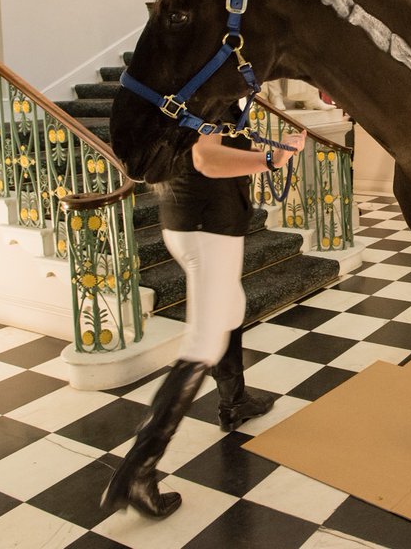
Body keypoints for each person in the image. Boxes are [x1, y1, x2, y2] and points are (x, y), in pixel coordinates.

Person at [101, 117, 306, 519]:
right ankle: (136, 473)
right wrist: (272, 156)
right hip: (206, 228)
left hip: (193, 222)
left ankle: (235, 402)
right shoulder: (208, 93)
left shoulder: (192, 91)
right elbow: (208, 159)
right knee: (204, 341)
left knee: (232, 307)